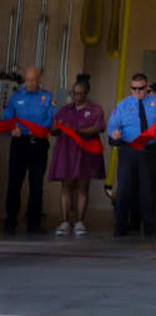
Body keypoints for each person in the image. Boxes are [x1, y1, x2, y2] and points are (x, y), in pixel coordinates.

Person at [107, 73, 156, 238]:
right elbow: (113, 126)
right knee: (125, 188)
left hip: (150, 151)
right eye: (134, 88)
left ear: (147, 87)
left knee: (149, 190)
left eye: (141, 88)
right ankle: (120, 225)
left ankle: (150, 227)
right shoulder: (123, 105)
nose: (138, 92)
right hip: (129, 150)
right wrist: (114, 135)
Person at [48, 73, 106, 237]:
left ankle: (80, 222)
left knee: (82, 186)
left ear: (86, 93)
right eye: (74, 93)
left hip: (85, 152)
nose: (76, 97)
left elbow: (99, 127)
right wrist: (59, 127)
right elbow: (53, 128)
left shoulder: (95, 109)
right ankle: (65, 222)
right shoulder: (65, 109)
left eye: (79, 94)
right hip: (66, 151)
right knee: (66, 186)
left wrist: (77, 131)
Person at [3, 65, 57, 234]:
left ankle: (34, 223)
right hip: (20, 143)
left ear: (39, 79)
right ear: (24, 79)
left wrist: (42, 128)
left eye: (34, 80)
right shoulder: (15, 98)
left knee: (36, 184)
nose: (31, 83)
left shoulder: (47, 97)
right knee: (14, 183)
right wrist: (12, 130)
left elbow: (52, 119)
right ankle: (10, 220)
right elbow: (6, 120)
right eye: (28, 80)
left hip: (38, 144)